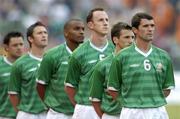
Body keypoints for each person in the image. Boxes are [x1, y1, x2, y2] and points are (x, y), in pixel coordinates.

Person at [107, 12, 175, 119]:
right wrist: (128, 102)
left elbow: (167, 88)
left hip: (157, 111)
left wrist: (152, 101)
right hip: (132, 111)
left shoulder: (164, 56)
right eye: (145, 26)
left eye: (152, 26)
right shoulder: (122, 57)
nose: (150, 29)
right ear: (135, 30)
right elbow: (112, 88)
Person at [64, 8, 114, 119]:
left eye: (107, 19)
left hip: (110, 109)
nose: (105, 23)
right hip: (87, 110)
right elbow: (70, 86)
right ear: (91, 25)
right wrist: (81, 106)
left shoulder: (115, 49)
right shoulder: (78, 54)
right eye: (101, 20)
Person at [36, 19, 85, 119]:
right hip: (59, 114)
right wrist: (51, 104)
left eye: (83, 29)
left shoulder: (88, 53)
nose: (81, 32)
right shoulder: (52, 55)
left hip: (82, 112)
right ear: (66, 33)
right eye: (76, 29)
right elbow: (41, 85)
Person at [89, 22, 134, 119]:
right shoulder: (102, 65)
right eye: (126, 37)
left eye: (132, 37)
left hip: (134, 114)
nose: (131, 41)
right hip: (112, 116)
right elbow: (95, 99)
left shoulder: (138, 63)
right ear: (115, 40)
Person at [8, 21, 48, 119]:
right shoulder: (19, 64)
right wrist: (23, 112)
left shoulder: (53, 59)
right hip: (28, 114)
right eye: (39, 33)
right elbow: (13, 94)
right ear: (30, 39)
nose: (44, 35)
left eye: (45, 33)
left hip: (50, 114)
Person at [0, 32, 24, 119]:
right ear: (6, 48)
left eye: (21, 44)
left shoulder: (29, 64)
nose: (19, 48)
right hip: (4, 115)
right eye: (15, 45)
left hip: (26, 115)